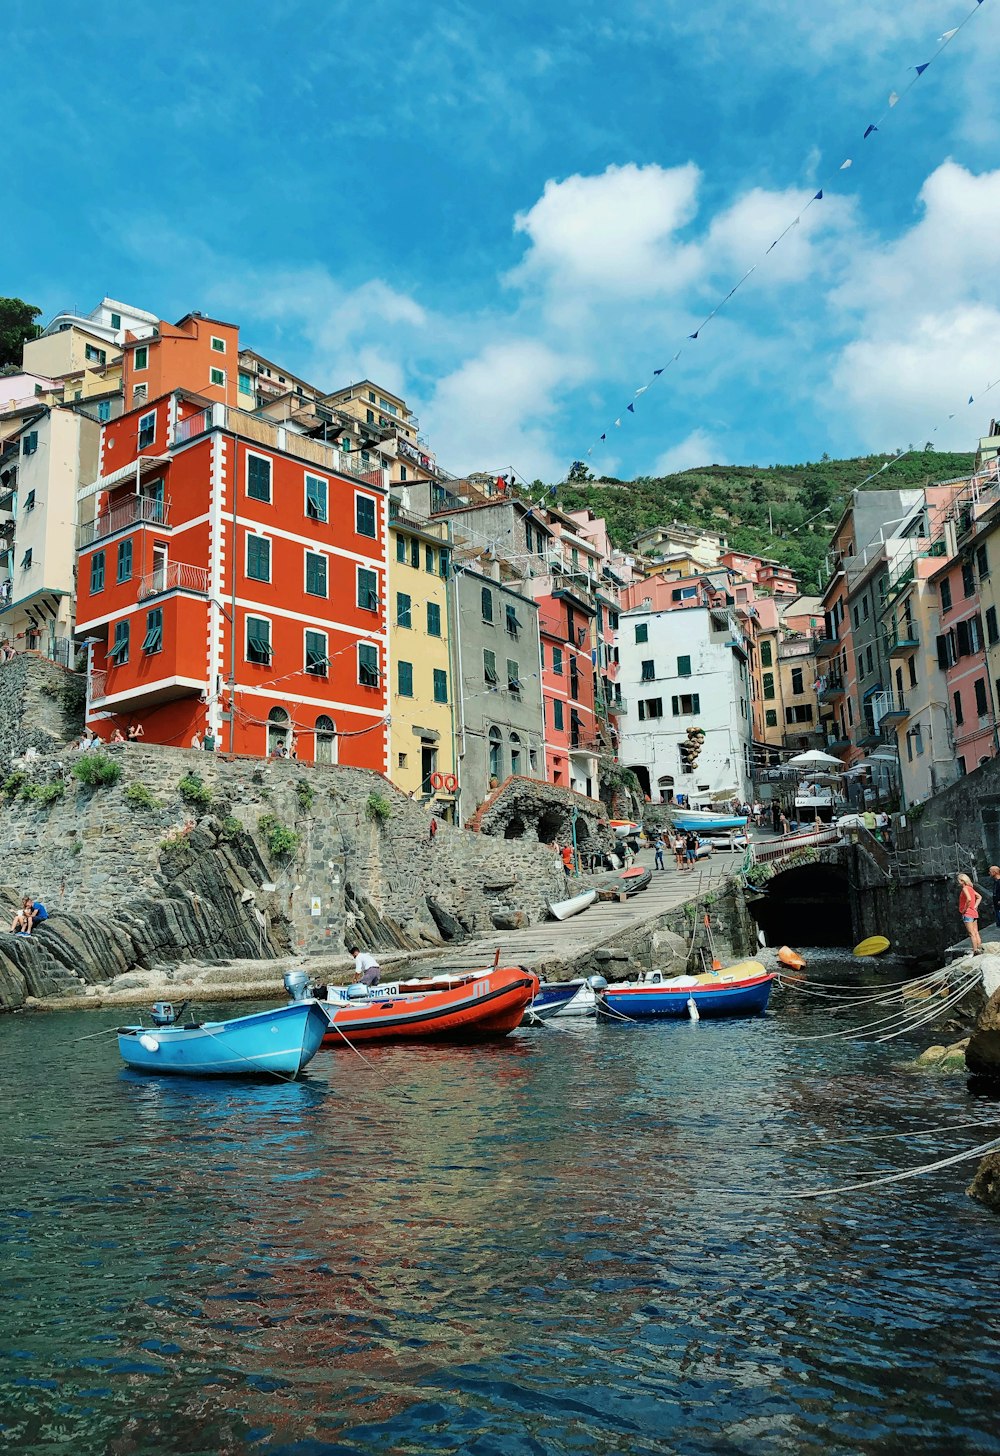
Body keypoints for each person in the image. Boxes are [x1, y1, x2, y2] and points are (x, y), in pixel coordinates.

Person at [957, 873, 984, 956]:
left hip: (968, 913)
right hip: (973, 912)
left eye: (959, 881)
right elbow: (979, 897)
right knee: (976, 931)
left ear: (962, 881)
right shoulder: (970, 888)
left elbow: (968, 899)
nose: (958, 882)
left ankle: (975, 950)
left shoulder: (965, 888)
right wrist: (975, 906)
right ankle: (979, 948)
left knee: (971, 933)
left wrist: (964, 909)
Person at [990, 865, 1000, 930]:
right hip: (996, 902)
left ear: (994, 872)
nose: (989, 873)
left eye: (990, 871)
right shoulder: (995, 881)